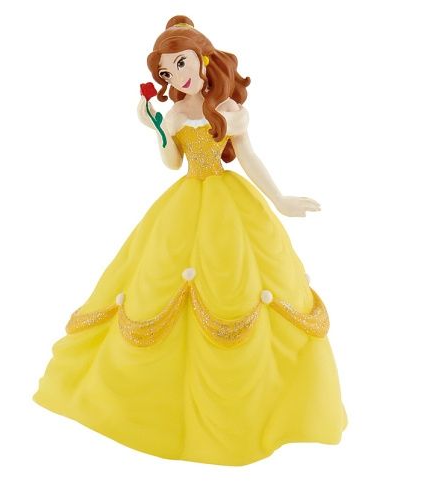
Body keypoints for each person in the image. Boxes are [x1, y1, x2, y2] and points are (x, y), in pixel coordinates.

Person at [33, 15, 347, 466]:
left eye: (181, 63)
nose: (176, 76)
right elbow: (171, 163)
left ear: (202, 59)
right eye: (166, 72)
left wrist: (280, 200)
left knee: (235, 283)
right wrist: (157, 129)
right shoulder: (178, 112)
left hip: (229, 204)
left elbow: (249, 158)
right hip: (186, 201)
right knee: (157, 285)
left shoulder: (229, 111)